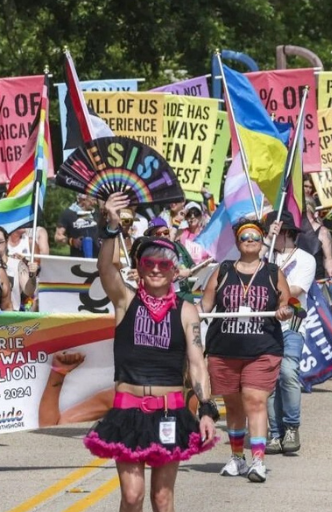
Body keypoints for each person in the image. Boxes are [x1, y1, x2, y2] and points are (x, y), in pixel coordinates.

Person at [82, 192, 217, 510]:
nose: (156, 269)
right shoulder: (126, 301)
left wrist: (207, 408)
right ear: (140, 269)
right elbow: (106, 269)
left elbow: (197, 364)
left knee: (162, 497)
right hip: (128, 412)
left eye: (164, 264)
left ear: (174, 271)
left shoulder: (186, 311)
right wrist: (112, 228)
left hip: (170, 411)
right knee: (132, 496)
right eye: (149, 263)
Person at [200, 217, 293, 483]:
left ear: (262, 240)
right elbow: (205, 306)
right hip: (224, 349)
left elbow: (287, 303)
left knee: (255, 400)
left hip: (262, 348)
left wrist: (285, 310)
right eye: (245, 237)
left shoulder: (274, 272)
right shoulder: (223, 270)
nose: (250, 241)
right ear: (238, 242)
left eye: (254, 237)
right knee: (233, 405)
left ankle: (258, 460)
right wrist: (191, 314)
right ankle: (237, 457)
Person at [263, 210, 313, 455]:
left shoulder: (305, 259)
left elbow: (294, 290)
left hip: (291, 324)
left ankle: (292, 427)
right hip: (264, 325)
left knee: (288, 372)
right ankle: (275, 432)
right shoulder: (265, 255)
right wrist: (264, 243)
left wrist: (267, 288)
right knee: (269, 381)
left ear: (286, 232)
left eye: (274, 230)